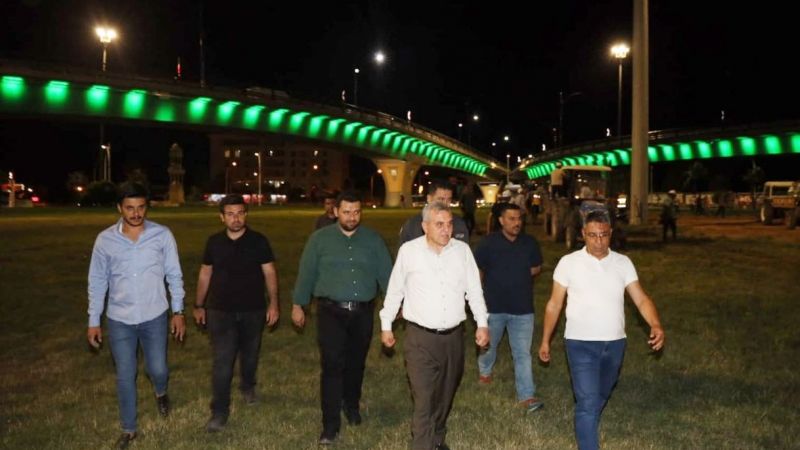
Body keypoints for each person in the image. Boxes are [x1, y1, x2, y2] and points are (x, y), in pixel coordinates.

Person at [538, 211, 665, 450]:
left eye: (604, 235)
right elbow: (554, 304)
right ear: (583, 234)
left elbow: (640, 299)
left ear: (611, 234)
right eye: (593, 235)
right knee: (587, 402)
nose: (598, 241)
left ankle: (586, 423)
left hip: (615, 343)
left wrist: (655, 324)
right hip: (579, 343)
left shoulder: (622, 263)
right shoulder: (568, 263)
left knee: (601, 394)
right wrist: (546, 340)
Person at [380, 202, 489, 450]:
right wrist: (386, 325)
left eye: (449, 224)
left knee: (445, 395)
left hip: (453, 338)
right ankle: (423, 444)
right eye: (439, 224)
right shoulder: (409, 251)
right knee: (424, 400)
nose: (446, 230)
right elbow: (395, 290)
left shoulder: (462, 251)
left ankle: (437, 437)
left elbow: (474, 291)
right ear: (425, 226)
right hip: (420, 339)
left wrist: (482, 323)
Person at [86, 182, 185, 449]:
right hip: (120, 319)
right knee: (125, 374)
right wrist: (94, 320)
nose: (136, 213)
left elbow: (174, 275)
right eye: (130, 208)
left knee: (158, 369)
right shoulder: (105, 240)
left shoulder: (162, 235)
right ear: (119, 208)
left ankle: (161, 391)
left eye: (141, 207)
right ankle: (129, 429)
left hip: (155, 315)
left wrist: (178, 311)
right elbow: (97, 281)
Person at [292, 191, 393, 445]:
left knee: (356, 362)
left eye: (356, 212)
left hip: (362, 312)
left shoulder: (372, 240)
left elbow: (386, 274)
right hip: (330, 311)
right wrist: (298, 304)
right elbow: (306, 272)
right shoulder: (319, 239)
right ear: (336, 211)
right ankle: (330, 424)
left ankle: (351, 404)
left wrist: (395, 304)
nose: (352, 217)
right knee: (332, 364)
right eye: (346, 212)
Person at [193, 195, 280, 432]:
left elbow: (270, 272)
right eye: (230, 214)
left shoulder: (259, 241)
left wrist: (273, 304)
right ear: (221, 217)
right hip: (220, 311)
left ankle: (247, 385)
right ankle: (219, 412)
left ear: (246, 215)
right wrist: (199, 304)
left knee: (250, 356)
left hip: (253, 309)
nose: (236, 218)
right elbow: (205, 273)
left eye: (240, 213)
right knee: (223, 361)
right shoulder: (214, 242)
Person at [474, 203, 544, 412]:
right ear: (501, 221)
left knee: (522, 353)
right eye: (512, 219)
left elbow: (536, 268)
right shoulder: (488, 243)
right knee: (489, 346)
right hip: (493, 307)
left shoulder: (529, 243)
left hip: (522, 308)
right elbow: (479, 270)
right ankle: (485, 371)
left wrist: (516, 275)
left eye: (519, 218)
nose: (517, 223)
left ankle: (527, 395)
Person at [399, 179, 469, 246]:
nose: (445, 204)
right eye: (441, 199)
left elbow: (463, 251)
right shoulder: (412, 225)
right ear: (429, 198)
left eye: (448, 200)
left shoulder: (459, 224)